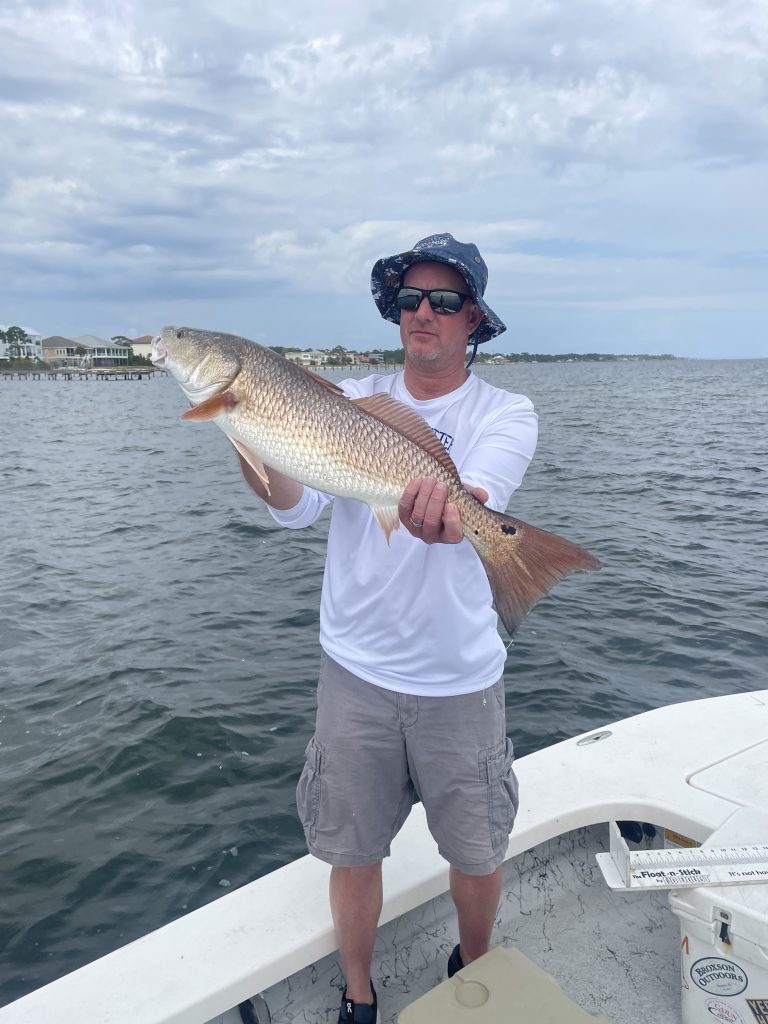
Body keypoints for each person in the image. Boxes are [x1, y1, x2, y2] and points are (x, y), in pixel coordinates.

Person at [238, 233, 538, 1024]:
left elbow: (478, 489)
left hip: (459, 682)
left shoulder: (505, 412)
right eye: (410, 300)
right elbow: (295, 510)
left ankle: (475, 964)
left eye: (443, 301)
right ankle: (359, 992)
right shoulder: (344, 398)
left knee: (476, 851)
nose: (423, 314)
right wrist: (245, 431)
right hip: (355, 675)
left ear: (474, 317)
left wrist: (454, 513)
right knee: (352, 848)